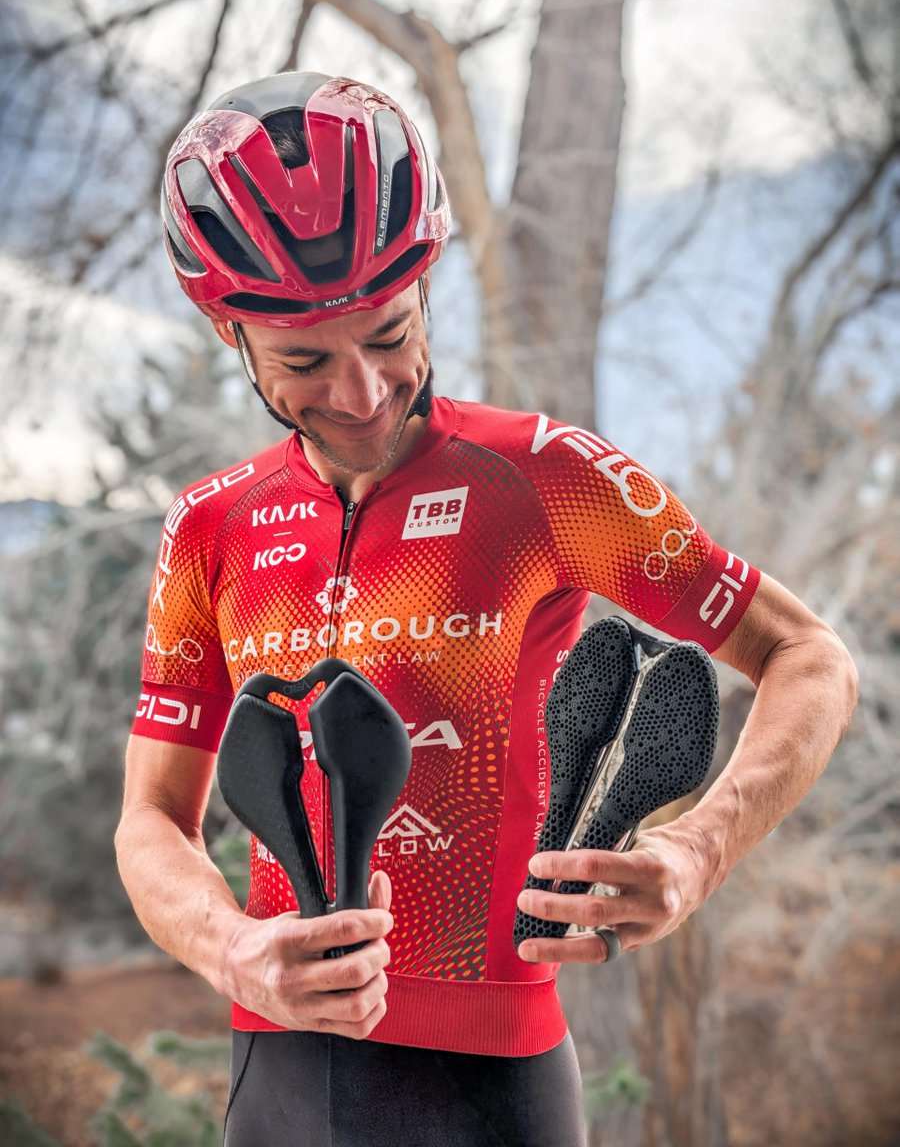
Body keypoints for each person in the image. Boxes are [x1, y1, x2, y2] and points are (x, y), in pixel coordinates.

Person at [115, 72, 858, 1147]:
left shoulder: (546, 476)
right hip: (274, 1072)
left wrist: (698, 851)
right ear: (229, 331)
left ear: (428, 287)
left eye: (390, 334)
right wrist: (233, 950)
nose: (362, 394)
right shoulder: (209, 528)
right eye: (304, 362)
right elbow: (152, 821)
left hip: (495, 1087)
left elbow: (807, 653)